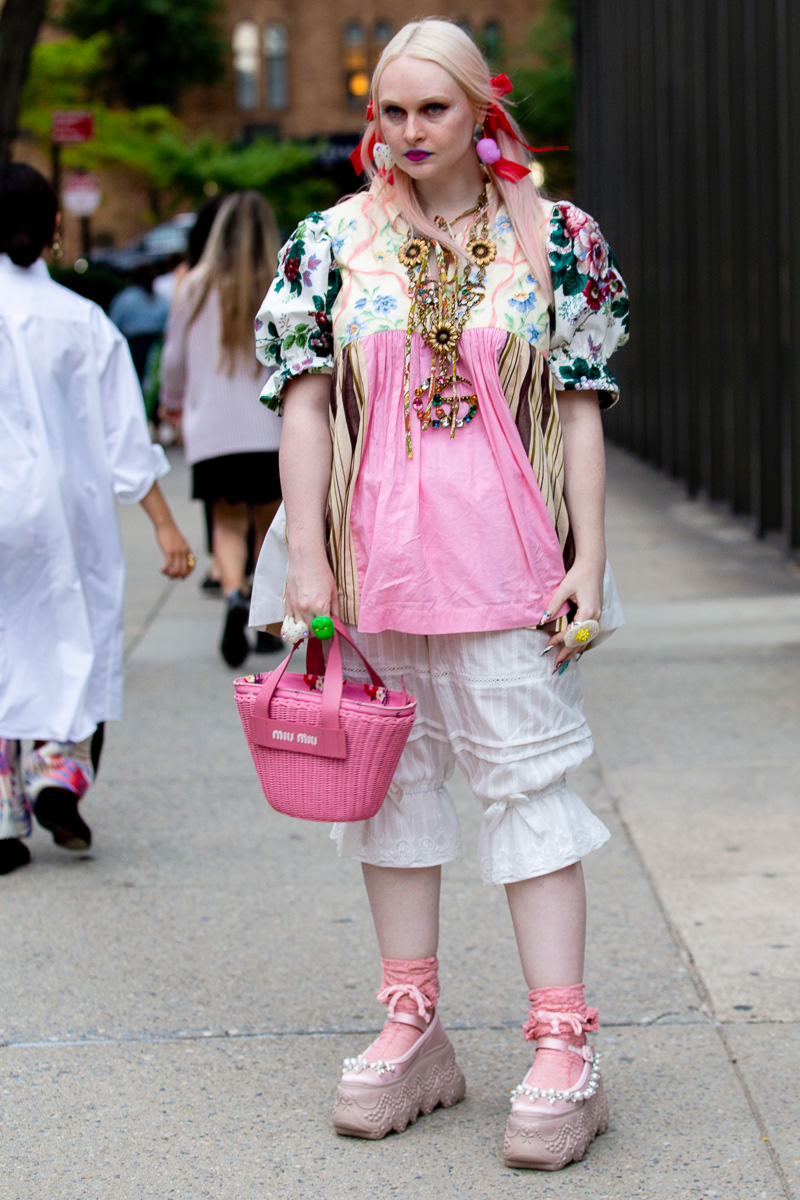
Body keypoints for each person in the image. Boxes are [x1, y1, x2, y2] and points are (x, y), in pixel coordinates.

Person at [250, 18, 629, 1171]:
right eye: (391, 110)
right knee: (388, 793)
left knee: (528, 793)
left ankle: (562, 1042)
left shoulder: (555, 239)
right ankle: (411, 1025)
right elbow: (303, 402)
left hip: (508, 569)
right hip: (371, 572)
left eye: (433, 110)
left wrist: (588, 561)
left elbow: (578, 404)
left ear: (481, 112)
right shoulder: (328, 242)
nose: (409, 132)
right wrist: (310, 566)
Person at [0, 163, 195, 876]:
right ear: (56, 227)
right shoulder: (82, 321)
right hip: (66, 518)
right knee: (72, 644)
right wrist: (165, 526)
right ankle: (59, 778)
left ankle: (0, 817)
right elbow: (123, 438)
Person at [160, 191, 284, 667]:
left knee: (227, 523)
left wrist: (172, 405)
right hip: (270, 429)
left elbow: (172, 360)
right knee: (267, 526)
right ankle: (266, 619)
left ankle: (232, 594)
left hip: (212, 430)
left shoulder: (193, 285)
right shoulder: (281, 284)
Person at [109, 262, 171, 383]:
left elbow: (112, 326)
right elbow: (167, 326)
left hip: (132, 346)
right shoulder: (161, 299)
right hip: (155, 347)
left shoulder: (124, 298)